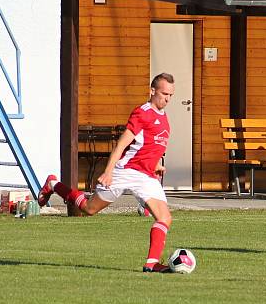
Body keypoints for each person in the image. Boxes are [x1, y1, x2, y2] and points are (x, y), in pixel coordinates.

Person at [37, 73, 176, 273]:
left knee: (164, 218)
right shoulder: (142, 113)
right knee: (89, 208)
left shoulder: (163, 117)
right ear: (152, 91)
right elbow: (121, 145)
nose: (167, 99)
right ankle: (53, 185)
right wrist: (109, 171)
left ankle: (151, 264)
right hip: (125, 171)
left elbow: (149, 146)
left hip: (146, 176)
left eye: (171, 95)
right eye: (164, 93)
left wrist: (155, 165)